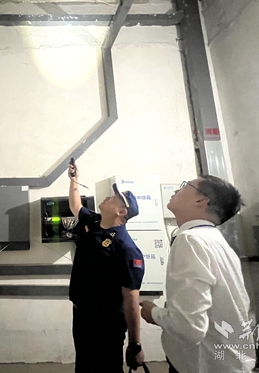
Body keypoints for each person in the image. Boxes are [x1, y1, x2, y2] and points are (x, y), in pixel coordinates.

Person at [140, 175, 255, 373]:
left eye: (185, 186)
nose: (176, 190)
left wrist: (153, 312)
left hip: (206, 365)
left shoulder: (191, 240)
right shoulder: (214, 240)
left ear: (201, 200)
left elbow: (188, 327)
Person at [68, 160, 146, 373]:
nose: (107, 197)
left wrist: (135, 344)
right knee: (84, 366)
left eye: (114, 198)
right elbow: (76, 206)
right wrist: (74, 180)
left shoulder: (126, 248)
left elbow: (131, 300)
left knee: (106, 367)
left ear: (121, 211)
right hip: (81, 314)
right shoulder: (93, 223)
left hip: (106, 322)